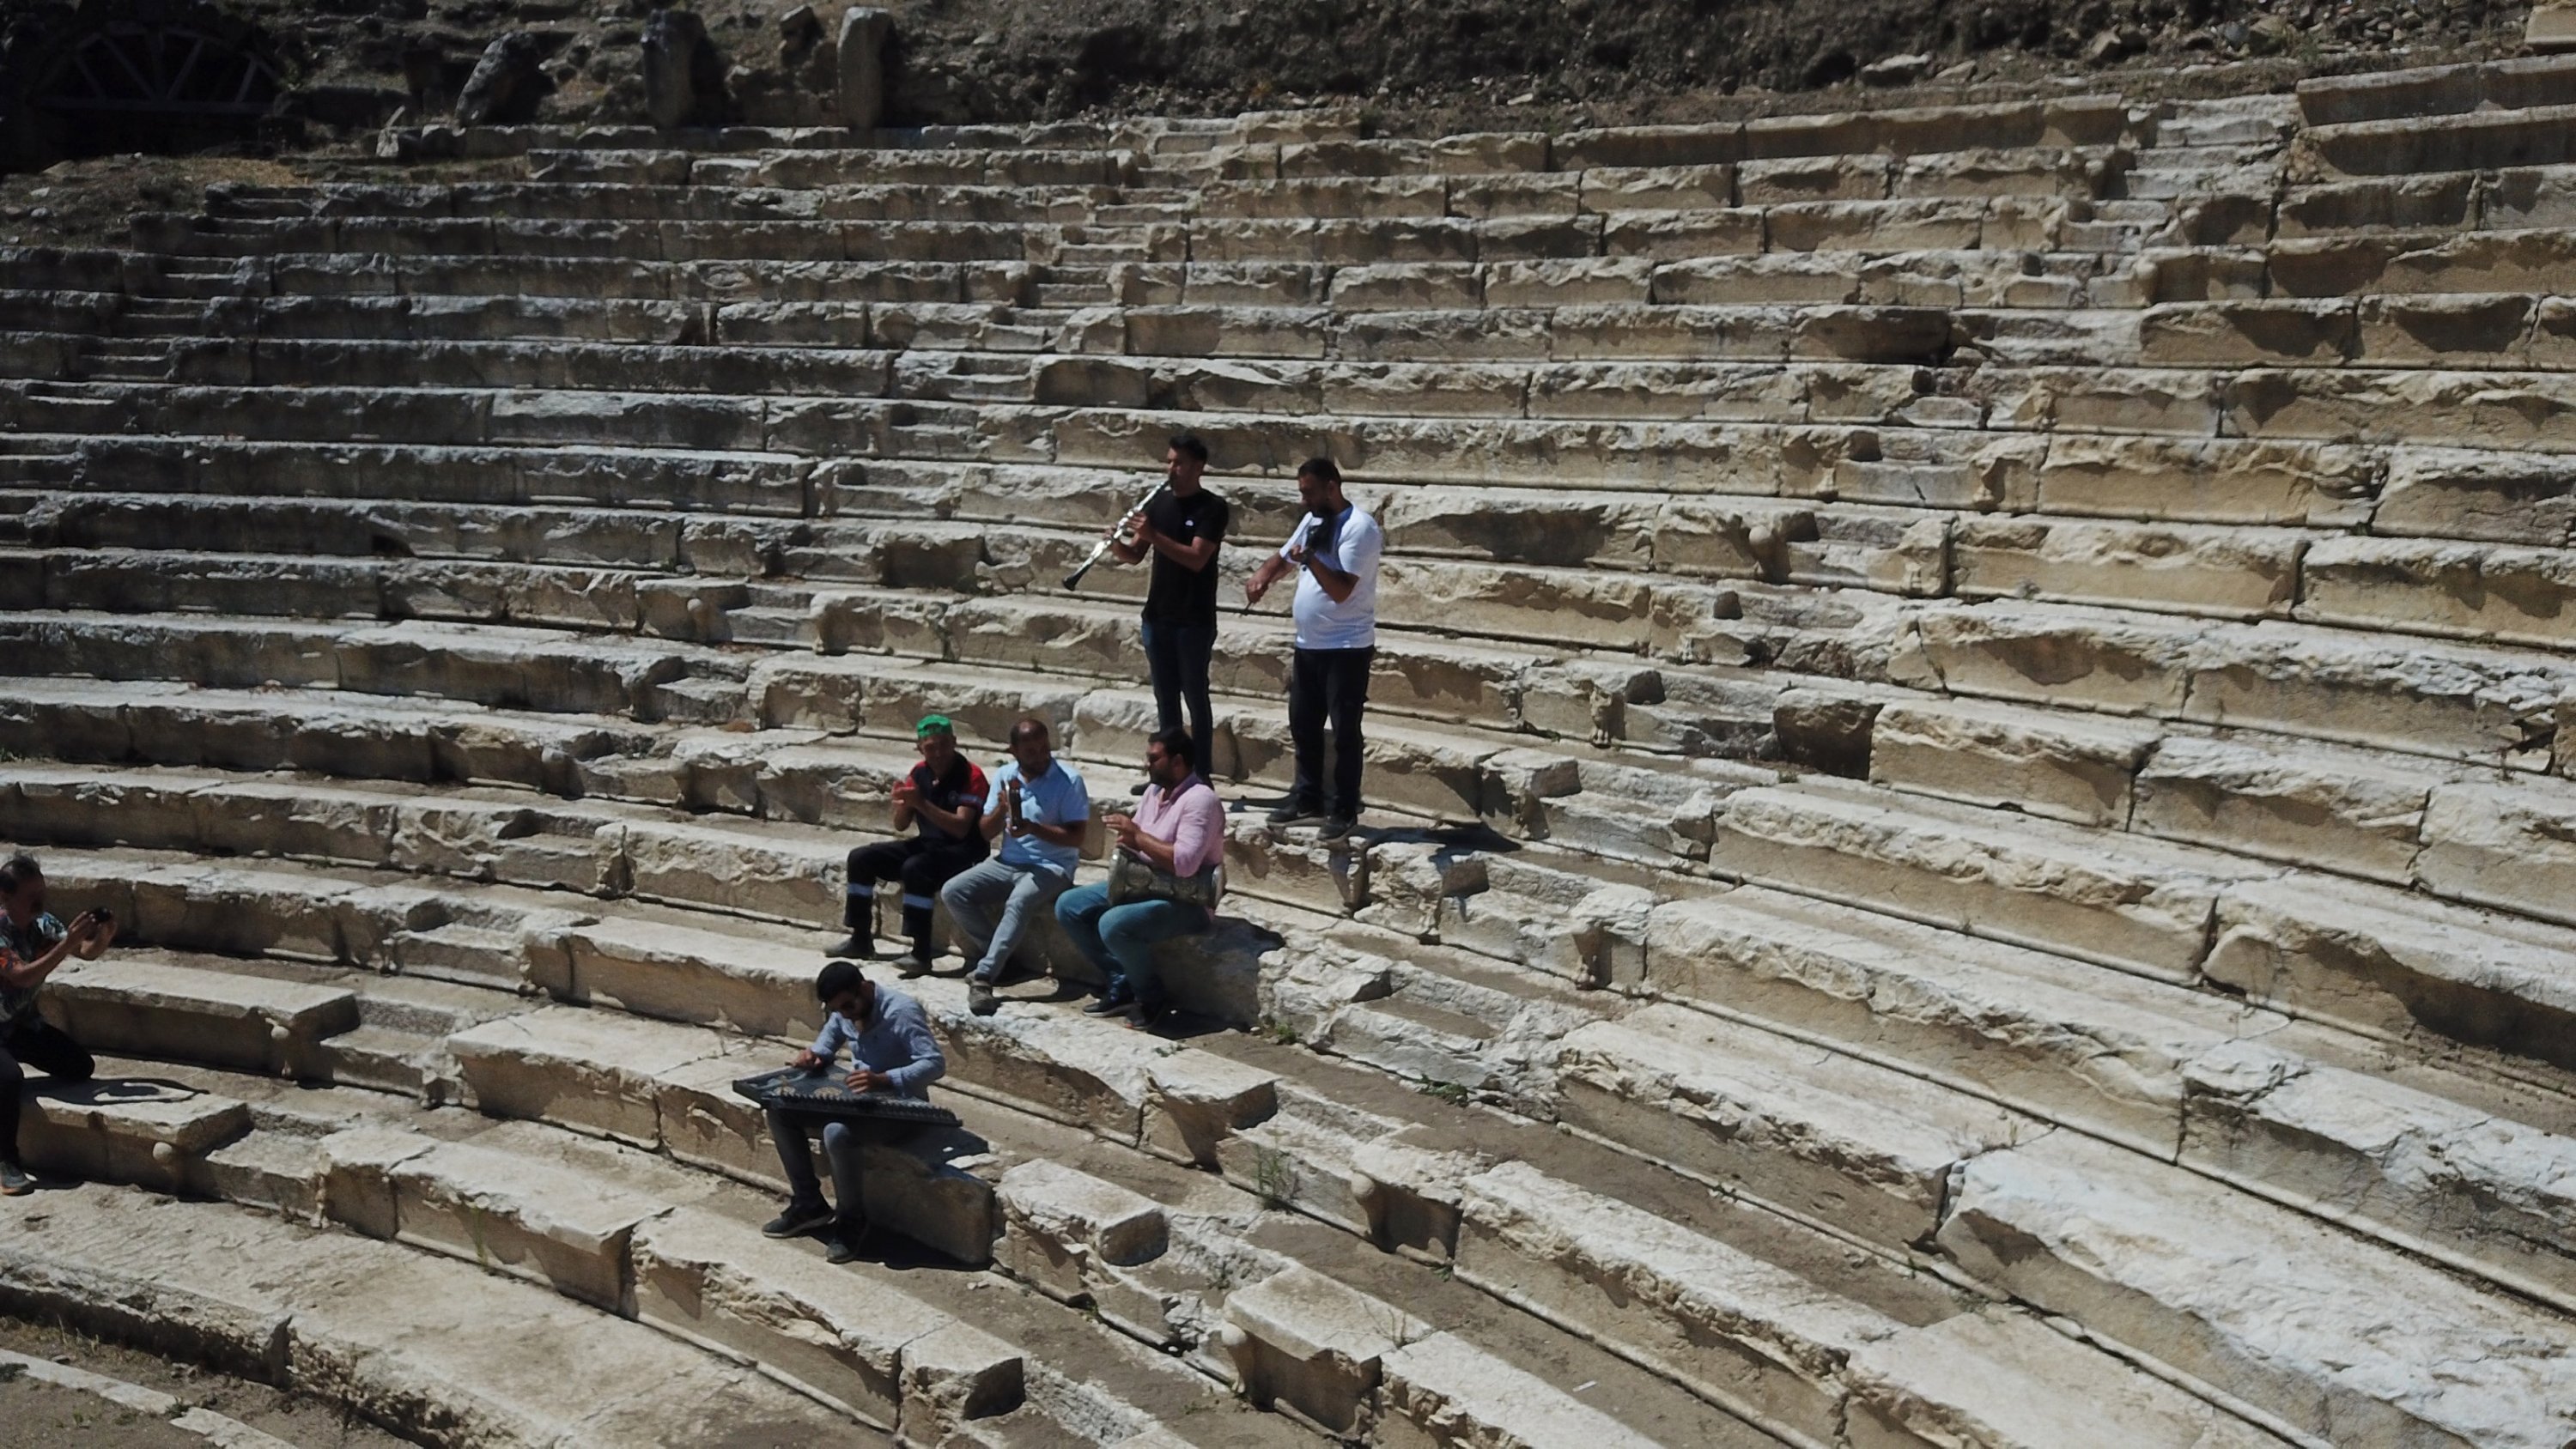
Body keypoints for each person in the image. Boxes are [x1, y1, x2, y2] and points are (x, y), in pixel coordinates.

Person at [761, 959, 945, 1264]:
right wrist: (814, 1056)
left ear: (863, 988)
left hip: (899, 1108)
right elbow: (828, 1040)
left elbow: (934, 1064)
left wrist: (885, 1079)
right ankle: (809, 1204)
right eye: (838, 1010)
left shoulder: (901, 1011)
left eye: (848, 1006)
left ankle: (851, 1220)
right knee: (780, 1110)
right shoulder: (845, 1010)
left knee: (836, 1132)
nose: (844, 1014)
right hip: (858, 1103)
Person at [1242, 456, 1382, 842]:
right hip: (1309, 645)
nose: (1303, 500)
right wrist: (1264, 575)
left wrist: (1312, 559)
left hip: (1347, 645)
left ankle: (1344, 806)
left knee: (1344, 730)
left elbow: (1341, 589)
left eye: (1309, 492)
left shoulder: (1361, 528)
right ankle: (1308, 799)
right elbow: (1286, 556)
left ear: (1331, 487)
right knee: (1303, 723)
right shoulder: (1313, 520)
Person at [1054, 728, 1225, 1028]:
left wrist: (1137, 836)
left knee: (1114, 924)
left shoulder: (1201, 800)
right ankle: (1122, 981)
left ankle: (1152, 997)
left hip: (1187, 900)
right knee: (1069, 905)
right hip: (1145, 884)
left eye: (1154, 758)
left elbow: (1184, 864)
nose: (1147, 764)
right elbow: (1140, 842)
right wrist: (1130, 840)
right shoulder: (1153, 792)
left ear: (1178, 762)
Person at [937, 718, 1091, 1017]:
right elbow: (984, 831)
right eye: (1031, 751)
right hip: (1007, 861)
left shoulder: (1069, 780)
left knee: (1019, 900)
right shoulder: (1005, 776)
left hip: (1052, 865)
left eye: (1044, 749)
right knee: (954, 891)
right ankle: (1000, 958)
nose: (1040, 757)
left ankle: (984, 977)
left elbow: (1076, 838)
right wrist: (1003, 808)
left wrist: (1034, 828)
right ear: (1014, 751)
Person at [1108, 433, 1229, 778]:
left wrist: (1153, 535)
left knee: (1195, 698)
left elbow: (1196, 559)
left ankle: (1200, 774)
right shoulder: (1158, 503)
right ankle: (1167, 774)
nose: (1171, 469)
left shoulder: (1213, 507)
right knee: (1166, 700)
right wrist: (1115, 545)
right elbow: (1135, 554)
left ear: (1198, 467)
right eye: (1169, 461)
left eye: (1178, 463)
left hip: (1193, 620)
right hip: (1158, 617)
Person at [831, 714, 989, 974]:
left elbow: (961, 828)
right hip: (929, 843)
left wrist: (921, 804)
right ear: (920, 748)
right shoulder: (918, 773)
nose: (938, 753)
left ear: (954, 742)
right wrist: (905, 804)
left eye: (944, 745)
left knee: (916, 868)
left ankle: (921, 952)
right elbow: (901, 825)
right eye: (930, 748)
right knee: (861, 858)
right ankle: (860, 938)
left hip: (964, 851)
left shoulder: (971, 775)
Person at [0, 855, 112, 1197]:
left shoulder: (42, 923)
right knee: (9, 1079)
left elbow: (86, 952)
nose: (40, 899)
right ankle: (6, 1162)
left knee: (79, 1066)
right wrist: (65, 945)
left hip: (20, 1026)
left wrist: (105, 932)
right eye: (31, 894)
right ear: (6, 897)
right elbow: (20, 976)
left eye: (41, 891)